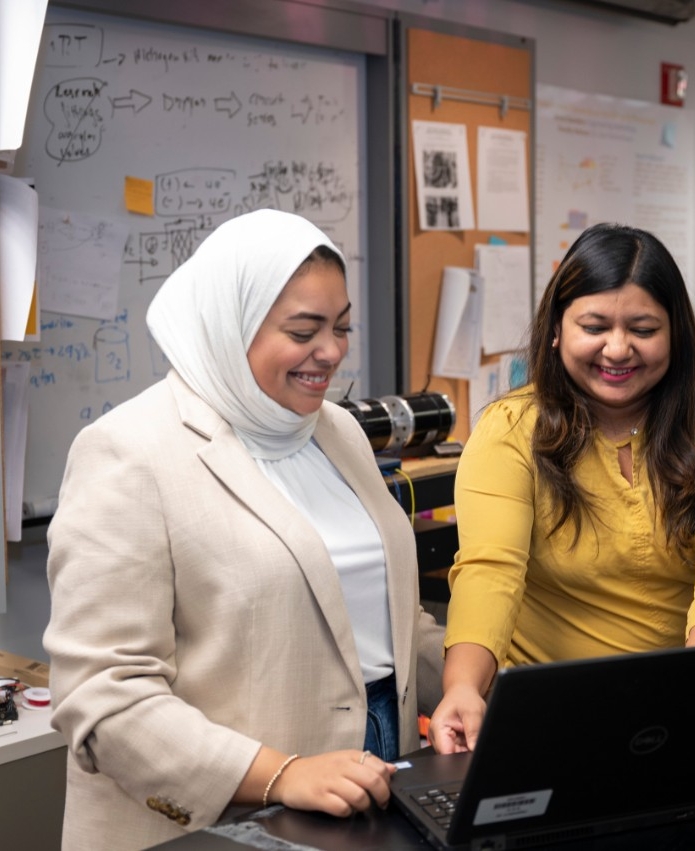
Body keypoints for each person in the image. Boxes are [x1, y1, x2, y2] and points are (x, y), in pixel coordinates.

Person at [43, 209, 445, 850]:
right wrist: (280, 774)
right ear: (230, 326)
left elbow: (387, 617)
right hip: (223, 818)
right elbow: (103, 696)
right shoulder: (128, 452)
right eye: (303, 330)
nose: (333, 352)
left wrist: (465, 685)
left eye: (341, 327)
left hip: (373, 785)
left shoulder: (335, 431)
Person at [428, 223, 695, 754]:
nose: (617, 349)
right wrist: (464, 687)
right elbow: (490, 569)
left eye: (643, 328)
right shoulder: (512, 428)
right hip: (550, 708)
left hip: (676, 698)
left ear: (675, 333)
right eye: (594, 325)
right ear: (557, 330)